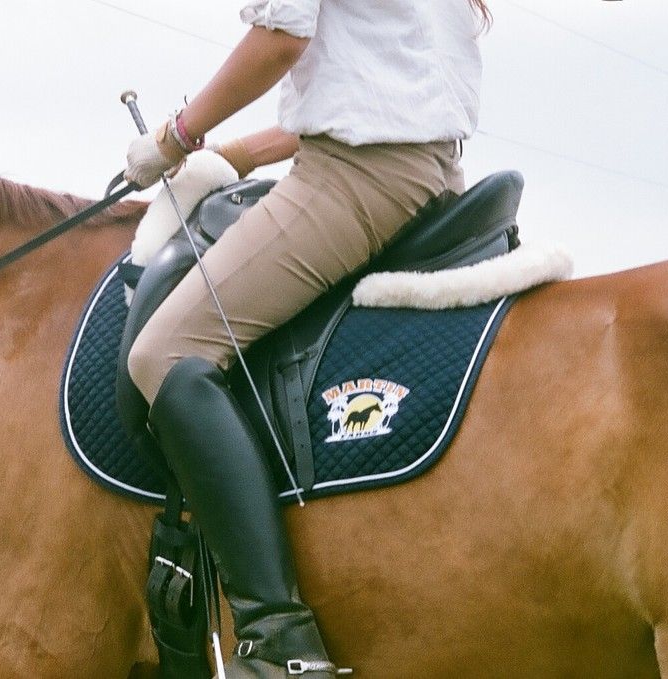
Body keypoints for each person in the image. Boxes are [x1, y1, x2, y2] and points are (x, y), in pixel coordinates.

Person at [124, 1, 490, 676]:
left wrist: (175, 137)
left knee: (163, 351)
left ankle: (274, 637)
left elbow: (280, 39)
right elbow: (371, 90)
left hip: (358, 178)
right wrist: (232, 155)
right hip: (432, 170)